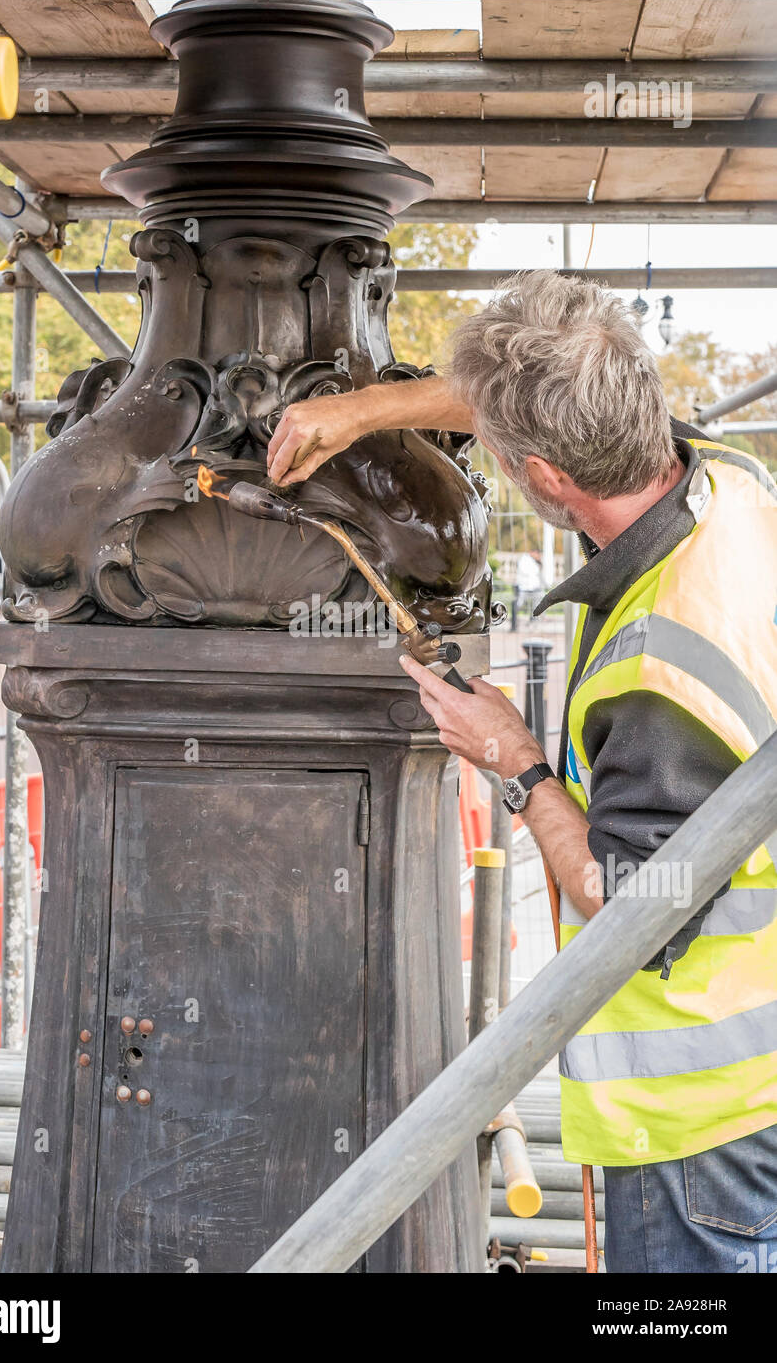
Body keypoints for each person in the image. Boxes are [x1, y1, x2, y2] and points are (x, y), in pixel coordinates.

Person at [267, 270, 777, 1273]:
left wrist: (515, 762)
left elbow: (626, 897)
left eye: (502, 459)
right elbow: (537, 386)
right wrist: (361, 410)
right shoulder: (728, 480)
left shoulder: (662, 668)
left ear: (545, 477)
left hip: (703, 1117)